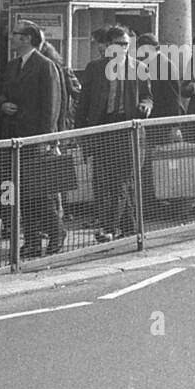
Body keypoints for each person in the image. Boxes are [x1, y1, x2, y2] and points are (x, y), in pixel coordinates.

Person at [76, 25, 153, 242]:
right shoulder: (95, 68)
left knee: (122, 181)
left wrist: (145, 106)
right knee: (106, 182)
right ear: (108, 46)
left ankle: (109, 228)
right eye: (119, 44)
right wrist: (82, 135)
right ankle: (131, 228)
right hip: (104, 128)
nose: (123, 49)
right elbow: (84, 105)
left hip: (128, 130)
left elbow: (147, 96)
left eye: (126, 45)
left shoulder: (138, 68)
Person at [0, 22, 64, 260]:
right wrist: (3, 104)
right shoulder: (12, 65)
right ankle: (31, 239)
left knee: (37, 194)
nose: (11, 38)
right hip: (12, 138)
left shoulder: (46, 67)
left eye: (15, 35)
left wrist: (46, 138)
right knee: (16, 195)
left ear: (28, 38)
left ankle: (56, 232)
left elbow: (52, 106)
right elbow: (0, 91)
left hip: (34, 140)